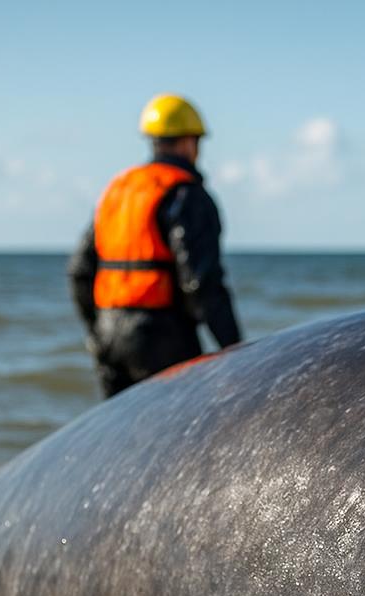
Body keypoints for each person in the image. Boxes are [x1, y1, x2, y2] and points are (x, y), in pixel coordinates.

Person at [68, 94, 241, 398]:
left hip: (109, 336)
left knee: (125, 435)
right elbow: (200, 280)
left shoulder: (118, 191)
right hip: (161, 337)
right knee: (180, 431)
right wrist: (237, 351)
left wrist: (96, 332)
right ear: (190, 142)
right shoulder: (186, 193)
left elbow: (79, 271)